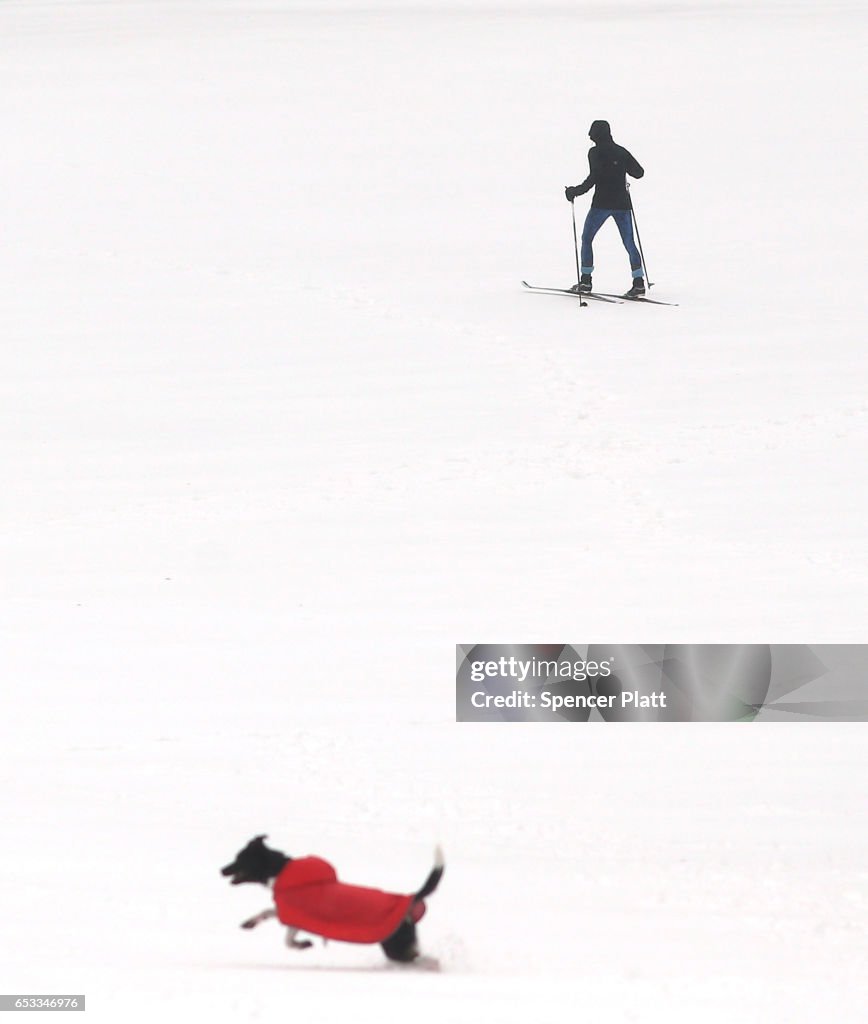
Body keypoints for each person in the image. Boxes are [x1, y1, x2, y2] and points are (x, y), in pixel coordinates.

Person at [565, 120, 645, 296]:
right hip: (622, 205)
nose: (589, 136)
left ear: (596, 134)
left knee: (587, 238)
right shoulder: (622, 151)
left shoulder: (595, 152)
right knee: (629, 242)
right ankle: (638, 282)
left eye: (591, 133)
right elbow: (639, 173)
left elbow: (594, 177)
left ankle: (586, 282)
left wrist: (574, 192)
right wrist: (620, 169)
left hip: (601, 204)